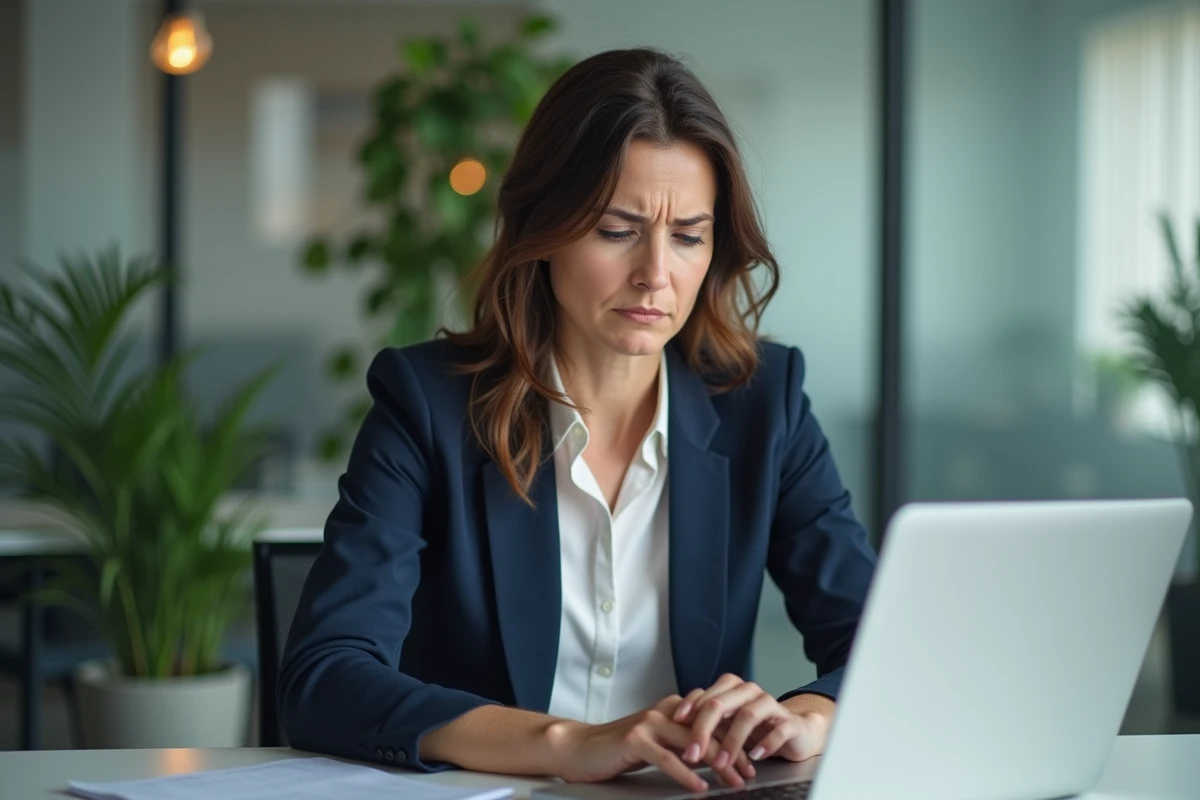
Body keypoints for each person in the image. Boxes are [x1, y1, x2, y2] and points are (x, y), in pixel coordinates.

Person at [278, 47, 876, 793]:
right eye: (617, 229)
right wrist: (570, 744)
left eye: (688, 236)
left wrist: (810, 714)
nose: (656, 274)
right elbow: (325, 678)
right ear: (544, 227)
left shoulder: (766, 402)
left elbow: (880, 644)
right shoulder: (426, 404)